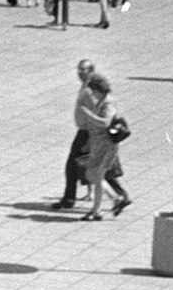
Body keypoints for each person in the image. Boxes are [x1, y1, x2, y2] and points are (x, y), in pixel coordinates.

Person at [78, 74, 130, 220]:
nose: (92, 95)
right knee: (91, 175)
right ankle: (116, 199)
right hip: (98, 146)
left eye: (93, 91)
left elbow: (106, 122)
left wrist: (89, 115)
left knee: (97, 176)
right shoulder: (101, 102)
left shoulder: (108, 104)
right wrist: (89, 143)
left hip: (107, 147)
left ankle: (96, 211)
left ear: (99, 90)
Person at [53, 60, 97, 210]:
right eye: (79, 69)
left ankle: (69, 199)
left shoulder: (90, 89)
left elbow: (95, 113)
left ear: (91, 71)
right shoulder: (85, 85)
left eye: (83, 70)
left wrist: (91, 139)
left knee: (73, 165)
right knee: (85, 166)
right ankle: (120, 195)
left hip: (87, 133)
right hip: (84, 131)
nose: (80, 72)